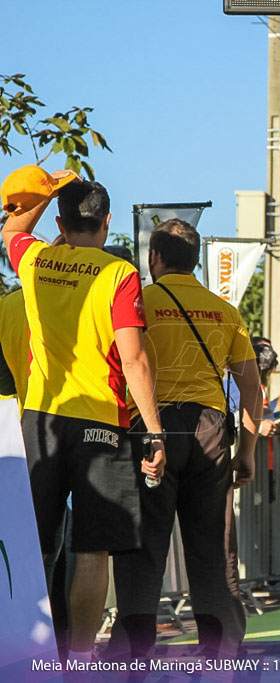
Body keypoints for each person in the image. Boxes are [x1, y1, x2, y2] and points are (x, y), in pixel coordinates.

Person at [1, 171, 167, 662]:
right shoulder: (119, 274)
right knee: (92, 551)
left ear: (61, 220)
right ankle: (75, 661)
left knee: (37, 546)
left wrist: (47, 188)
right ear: (108, 221)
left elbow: (11, 230)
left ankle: (29, 650)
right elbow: (133, 359)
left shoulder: (36, 259)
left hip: (42, 421)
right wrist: (154, 432)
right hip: (101, 423)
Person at [107, 218, 261, 659]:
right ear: (196, 261)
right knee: (211, 552)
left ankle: (130, 658)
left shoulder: (139, 302)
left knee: (144, 550)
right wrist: (246, 450)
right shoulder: (225, 311)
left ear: (154, 258)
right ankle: (221, 655)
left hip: (153, 430)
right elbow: (252, 387)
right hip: (212, 432)